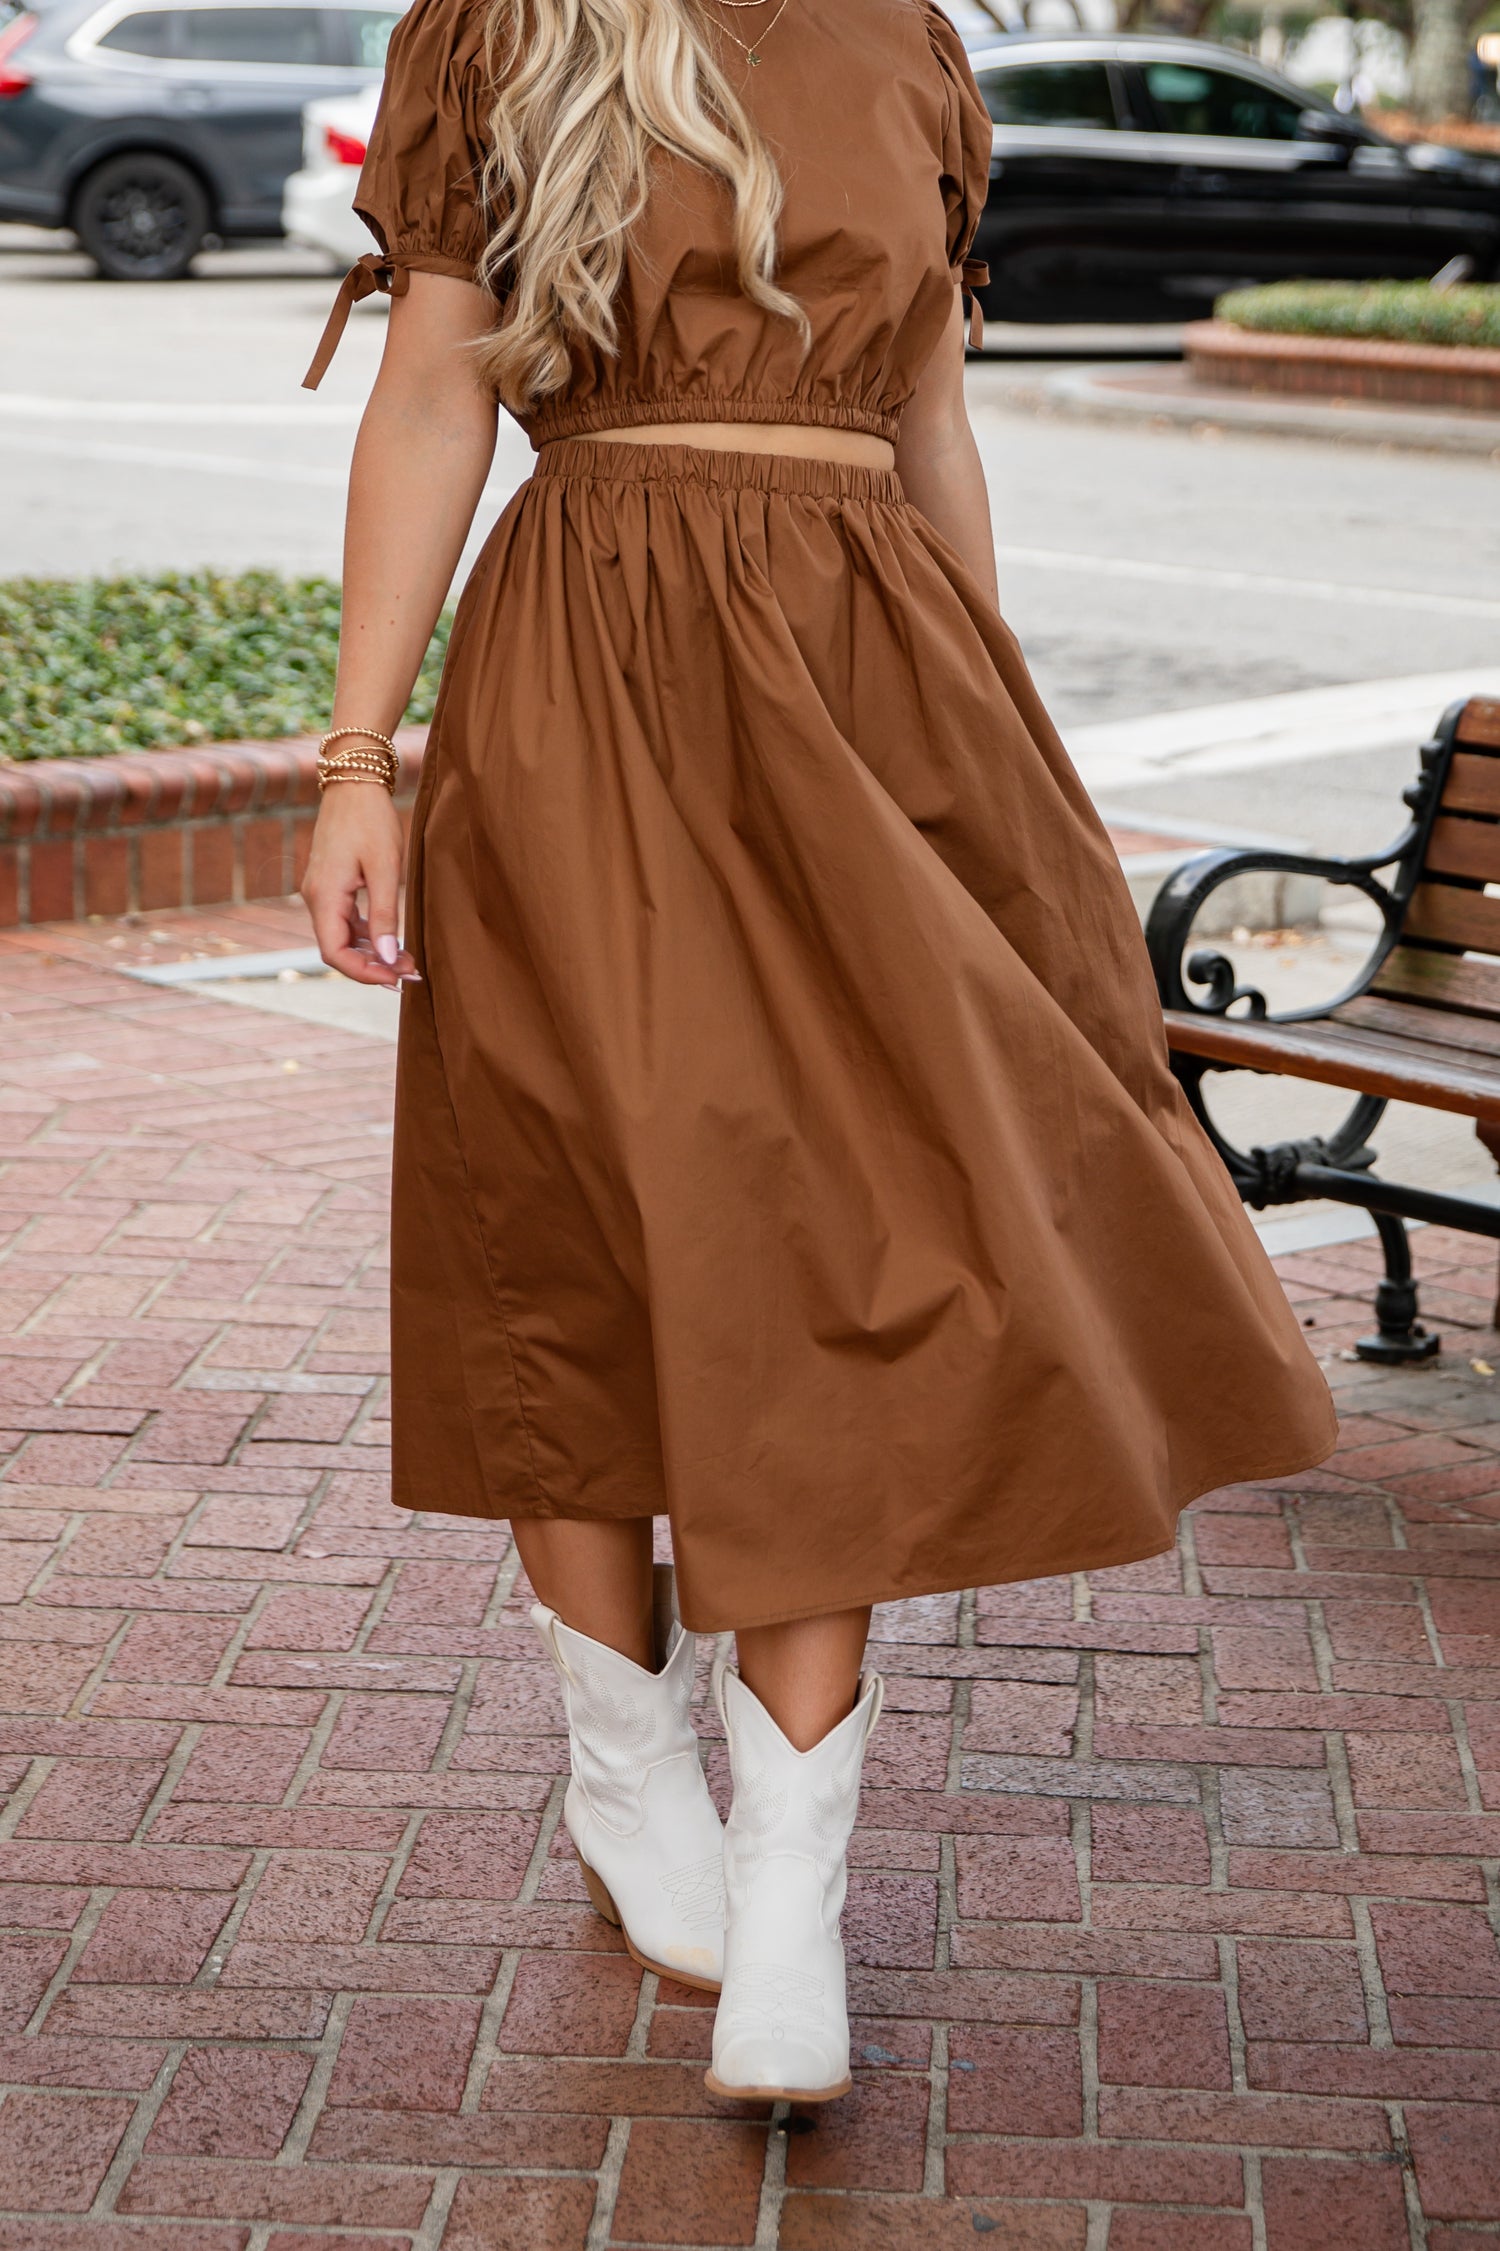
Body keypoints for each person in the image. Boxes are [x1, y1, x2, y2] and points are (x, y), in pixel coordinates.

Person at [299, 0, 1337, 2105]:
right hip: (584, 676)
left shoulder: (912, 50)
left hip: (875, 696)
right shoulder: (498, 28)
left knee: (849, 1255)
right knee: (576, 1216)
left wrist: (999, 740)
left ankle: (794, 1875)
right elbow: (429, 399)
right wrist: (352, 760)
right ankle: (624, 1765)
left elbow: (936, 419)